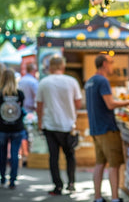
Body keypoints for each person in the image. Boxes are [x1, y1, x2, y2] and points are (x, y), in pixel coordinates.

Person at [84, 54, 129, 202]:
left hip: (96, 128)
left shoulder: (90, 81)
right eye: (111, 62)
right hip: (107, 128)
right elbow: (110, 104)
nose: (113, 66)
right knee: (114, 164)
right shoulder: (102, 80)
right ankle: (115, 198)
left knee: (99, 164)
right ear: (104, 64)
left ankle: (98, 198)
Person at [36, 55, 82, 196]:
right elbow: (78, 103)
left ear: (50, 67)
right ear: (63, 66)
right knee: (70, 155)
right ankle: (71, 183)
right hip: (68, 125)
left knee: (53, 157)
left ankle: (58, 186)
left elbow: (39, 105)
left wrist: (39, 122)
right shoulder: (72, 81)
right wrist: (72, 114)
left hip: (50, 125)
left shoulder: (44, 83)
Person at [0, 68, 25, 189]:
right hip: (17, 127)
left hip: (2, 127)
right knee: (14, 154)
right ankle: (12, 180)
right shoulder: (19, 93)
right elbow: (20, 109)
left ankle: (2, 178)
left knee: (2, 153)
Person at [18, 63, 39, 166]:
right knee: (29, 135)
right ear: (34, 70)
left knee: (23, 135)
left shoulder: (21, 80)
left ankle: (23, 155)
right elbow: (37, 97)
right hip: (29, 111)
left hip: (21, 110)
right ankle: (28, 156)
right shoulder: (33, 82)